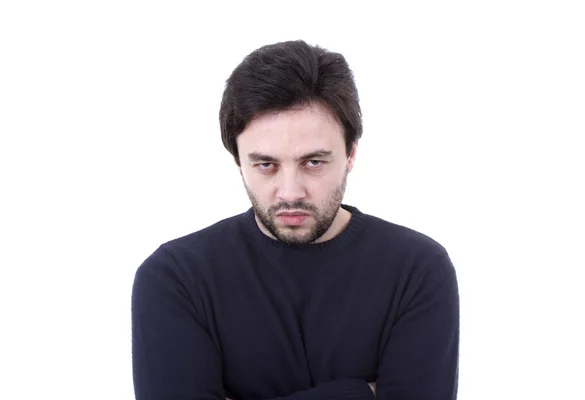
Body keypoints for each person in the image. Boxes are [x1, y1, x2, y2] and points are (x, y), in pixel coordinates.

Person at [131, 39, 460, 400]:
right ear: (238, 161)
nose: (290, 192)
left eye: (313, 162)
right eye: (266, 165)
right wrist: (360, 393)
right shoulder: (177, 277)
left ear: (350, 155)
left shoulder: (416, 269)